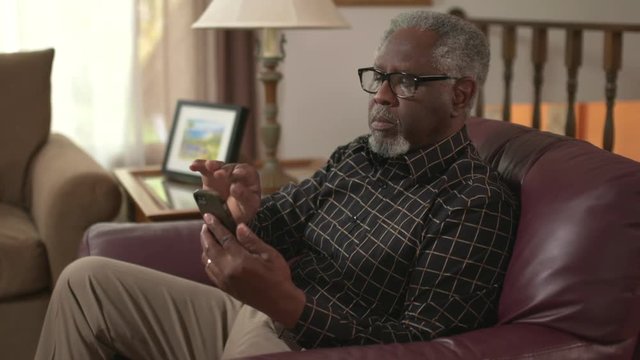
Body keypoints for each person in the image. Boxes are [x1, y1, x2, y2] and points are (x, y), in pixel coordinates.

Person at [35, 10, 518, 359]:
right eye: (378, 78)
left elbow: (427, 342)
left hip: (308, 343)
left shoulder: (473, 202)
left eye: (405, 83)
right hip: (255, 315)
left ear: (459, 94)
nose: (382, 97)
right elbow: (279, 224)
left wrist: (293, 307)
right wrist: (239, 213)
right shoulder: (356, 155)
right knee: (86, 281)